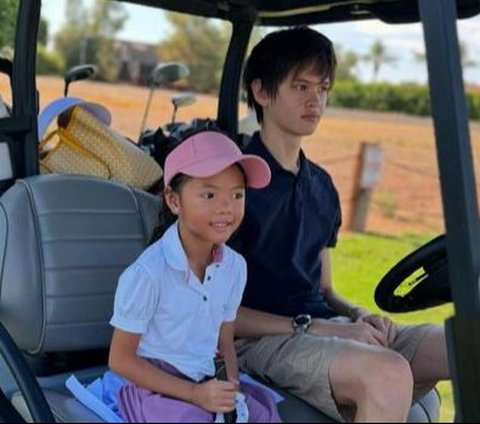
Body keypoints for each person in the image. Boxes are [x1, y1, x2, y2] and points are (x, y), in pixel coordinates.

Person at [231, 26, 450, 422]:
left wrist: (358, 315)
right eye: (300, 86)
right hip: (258, 341)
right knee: (388, 372)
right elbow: (217, 313)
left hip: (323, 328)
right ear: (261, 92)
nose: (315, 99)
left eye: (323, 88)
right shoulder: (232, 185)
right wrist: (315, 328)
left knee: (463, 345)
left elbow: (326, 288)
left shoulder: (322, 186)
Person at [108, 129, 282, 422]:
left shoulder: (234, 267)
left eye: (237, 194)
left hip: (205, 377)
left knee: (263, 413)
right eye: (209, 194)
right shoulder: (148, 274)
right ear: (174, 201)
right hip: (155, 385)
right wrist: (193, 394)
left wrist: (230, 395)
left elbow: (224, 342)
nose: (226, 207)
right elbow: (120, 359)